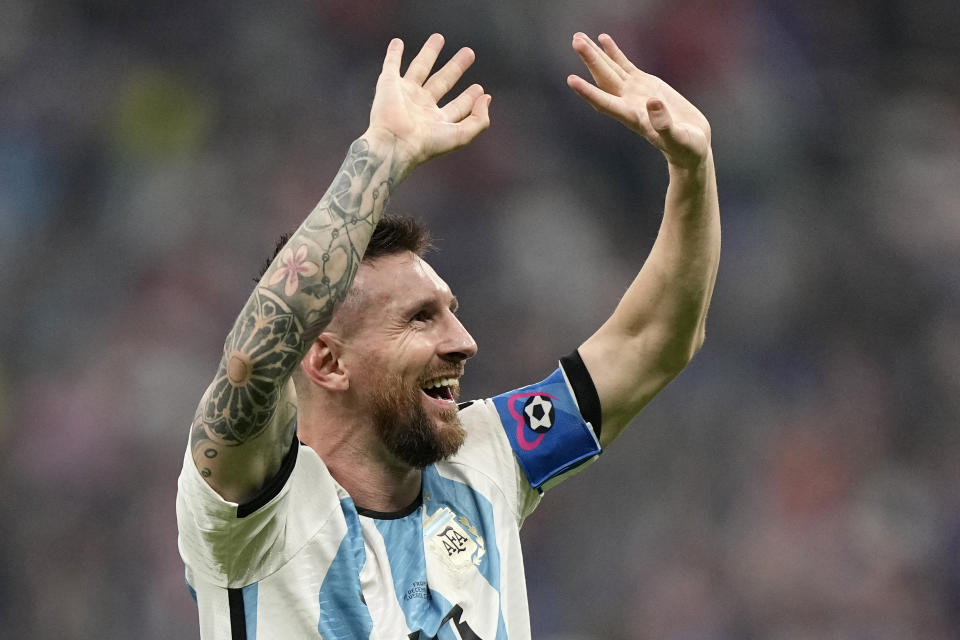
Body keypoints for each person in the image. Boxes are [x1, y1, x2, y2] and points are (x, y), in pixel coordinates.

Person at [177, 31, 719, 639]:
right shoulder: (251, 510)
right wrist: (380, 154)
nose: (464, 341)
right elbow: (257, 354)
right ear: (327, 362)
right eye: (420, 318)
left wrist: (692, 170)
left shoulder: (485, 458)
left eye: (451, 310)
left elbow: (654, 341)